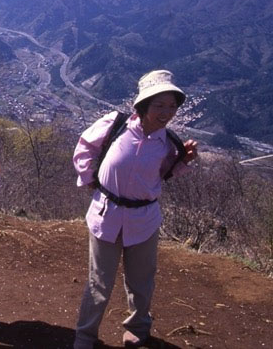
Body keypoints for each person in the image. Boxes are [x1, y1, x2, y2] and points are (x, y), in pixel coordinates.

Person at [72, 70, 199, 349]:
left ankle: (137, 329)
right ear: (143, 105)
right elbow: (85, 147)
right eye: (159, 105)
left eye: (172, 106)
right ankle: (85, 335)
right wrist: (89, 178)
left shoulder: (169, 143)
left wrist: (184, 160)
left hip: (143, 220)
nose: (167, 112)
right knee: (98, 283)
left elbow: (163, 174)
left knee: (141, 282)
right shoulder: (115, 125)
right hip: (106, 215)